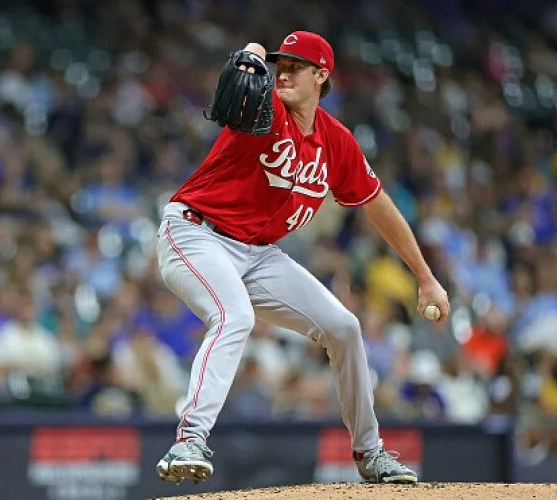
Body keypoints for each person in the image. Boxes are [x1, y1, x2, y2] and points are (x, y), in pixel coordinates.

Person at [154, 31, 450, 485]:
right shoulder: (266, 108)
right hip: (196, 233)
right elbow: (237, 91)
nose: (284, 72)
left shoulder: (336, 142)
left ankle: (371, 453)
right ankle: (190, 438)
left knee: (345, 328)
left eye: (296, 66)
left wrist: (425, 277)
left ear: (322, 76)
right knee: (234, 316)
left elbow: (378, 205)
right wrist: (250, 56)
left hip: (257, 253)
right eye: (281, 64)